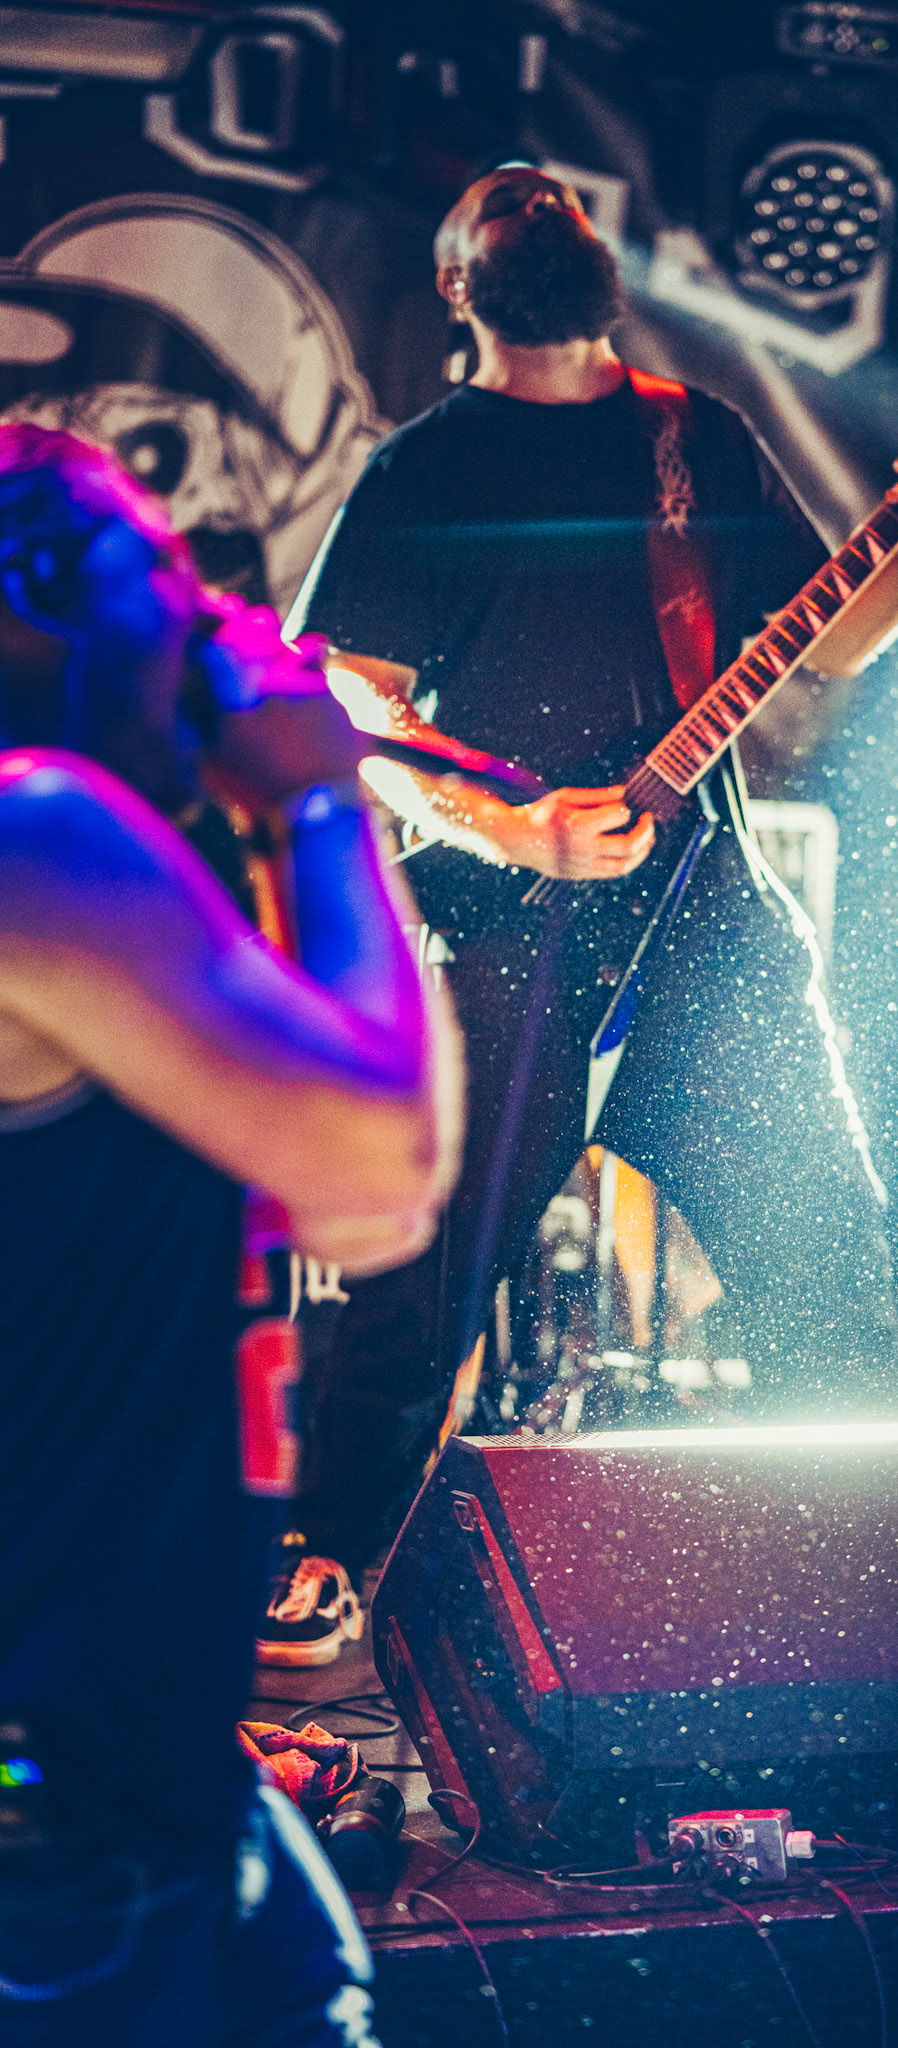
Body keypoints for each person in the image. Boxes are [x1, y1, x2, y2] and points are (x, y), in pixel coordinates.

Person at [281, 162, 898, 1600]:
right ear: (455, 279)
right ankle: (326, 1566)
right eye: (503, 199)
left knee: (826, 1254)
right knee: (415, 1301)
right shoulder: (422, 471)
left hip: (708, 925)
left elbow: (836, 642)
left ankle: (876, 1581)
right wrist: (502, 829)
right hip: (497, 935)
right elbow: (343, 715)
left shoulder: (693, 441)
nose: (541, 202)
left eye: (560, 197)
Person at [0, 424, 460, 2044]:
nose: (207, 621)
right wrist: (321, 806)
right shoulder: (32, 837)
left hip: (125, 1753)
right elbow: (381, 1161)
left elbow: (338, 1191)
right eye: (170, 575)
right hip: (52, 1809)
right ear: (44, 586)